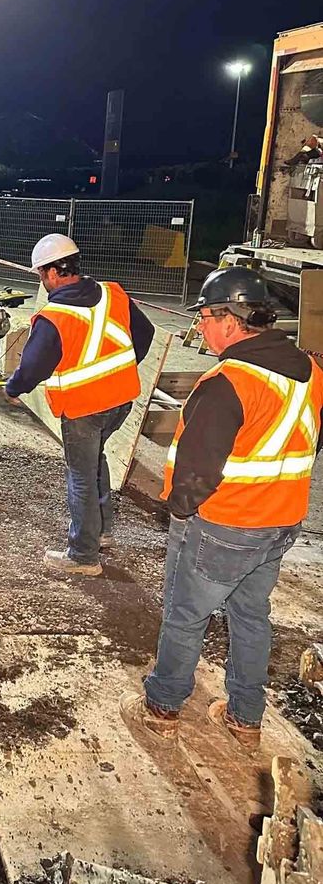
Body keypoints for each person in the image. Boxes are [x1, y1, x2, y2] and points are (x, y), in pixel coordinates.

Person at [124, 267, 323, 751]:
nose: (200, 329)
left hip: (225, 524)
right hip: (281, 522)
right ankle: (245, 717)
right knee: (251, 615)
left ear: (231, 320)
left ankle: (164, 706)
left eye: (206, 319)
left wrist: (178, 508)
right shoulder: (311, 371)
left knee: (185, 615)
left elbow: (196, 473)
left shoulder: (227, 382)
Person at [5, 233, 154, 576]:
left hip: (84, 407)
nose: (42, 282)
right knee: (95, 461)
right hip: (121, 400)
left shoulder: (55, 316)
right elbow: (143, 335)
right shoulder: (112, 293)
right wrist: (120, 368)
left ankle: (83, 555)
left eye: (41, 275)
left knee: (81, 475)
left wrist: (14, 389)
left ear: (52, 273)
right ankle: (102, 531)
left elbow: (32, 367)